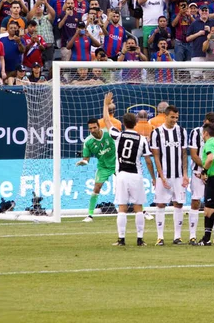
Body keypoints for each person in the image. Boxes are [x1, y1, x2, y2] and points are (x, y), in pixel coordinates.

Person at [101, 93, 155, 246]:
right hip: (136, 175)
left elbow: (106, 121)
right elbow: (148, 160)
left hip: (122, 175)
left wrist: (106, 104)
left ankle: (121, 239)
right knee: (138, 207)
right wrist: (154, 177)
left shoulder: (118, 135)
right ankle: (139, 239)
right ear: (136, 123)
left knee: (122, 207)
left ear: (124, 123)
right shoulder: (142, 139)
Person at [150, 105, 189, 246]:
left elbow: (184, 154)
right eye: (172, 117)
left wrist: (185, 174)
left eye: (176, 117)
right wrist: (161, 176)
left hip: (178, 175)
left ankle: (177, 237)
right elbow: (156, 156)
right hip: (164, 175)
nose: (174, 120)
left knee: (178, 203)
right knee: (160, 204)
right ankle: (160, 237)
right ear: (165, 116)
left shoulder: (182, 131)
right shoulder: (157, 133)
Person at [188, 112, 214, 245]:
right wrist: (203, 170)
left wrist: (207, 171)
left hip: (212, 174)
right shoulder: (195, 132)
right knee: (196, 202)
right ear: (205, 122)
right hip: (200, 172)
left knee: (212, 206)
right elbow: (193, 155)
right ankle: (193, 236)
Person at [76, 118, 116, 223]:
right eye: (90, 128)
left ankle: (143, 211)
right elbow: (86, 159)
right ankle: (90, 215)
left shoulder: (109, 134)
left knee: (129, 185)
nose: (93, 130)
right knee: (96, 187)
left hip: (117, 164)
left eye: (94, 127)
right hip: (103, 167)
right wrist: (83, 162)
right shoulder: (88, 141)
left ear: (99, 126)